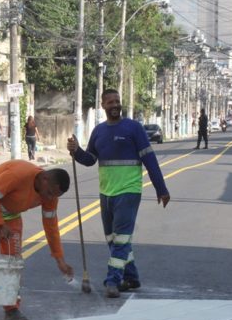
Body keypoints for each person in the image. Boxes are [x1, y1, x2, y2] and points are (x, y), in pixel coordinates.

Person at [67, 88, 171, 298]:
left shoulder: (134, 128)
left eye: (117, 101)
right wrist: (76, 150)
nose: (115, 105)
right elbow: (90, 160)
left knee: (121, 238)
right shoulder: (98, 131)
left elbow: (150, 159)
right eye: (110, 102)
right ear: (103, 106)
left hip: (129, 191)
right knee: (113, 239)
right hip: (106, 193)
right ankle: (131, 277)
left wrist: (161, 188)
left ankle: (112, 280)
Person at [0, 160, 74, 320]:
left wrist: (59, 259)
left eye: (54, 196)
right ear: (44, 179)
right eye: (49, 193)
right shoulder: (18, 175)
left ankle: (11, 308)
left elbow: (51, 226)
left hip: (10, 214)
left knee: (13, 260)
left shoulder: (51, 195)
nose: (49, 198)